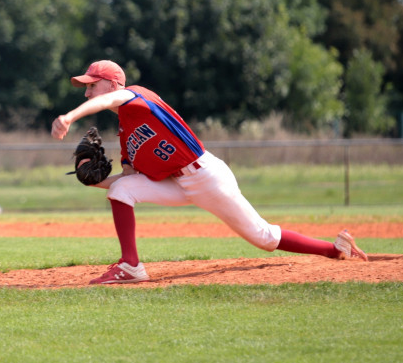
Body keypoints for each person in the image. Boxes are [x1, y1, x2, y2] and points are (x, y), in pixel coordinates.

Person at [51, 60, 367, 284]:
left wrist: (69, 116)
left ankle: (334, 250)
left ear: (110, 84)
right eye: (86, 87)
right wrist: (94, 181)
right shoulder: (125, 132)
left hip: (206, 177)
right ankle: (131, 265)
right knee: (121, 190)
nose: (86, 92)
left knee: (263, 237)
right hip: (178, 182)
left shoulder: (135, 95)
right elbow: (132, 179)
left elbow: (113, 99)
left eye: (91, 85)